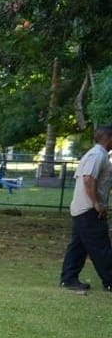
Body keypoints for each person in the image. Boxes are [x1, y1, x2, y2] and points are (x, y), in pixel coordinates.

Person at [58, 125, 112, 293]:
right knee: (101, 246)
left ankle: (69, 279)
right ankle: (110, 280)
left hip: (82, 208)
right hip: (89, 209)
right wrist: (96, 203)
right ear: (109, 138)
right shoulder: (97, 155)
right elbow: (88, 179)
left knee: (78, 246)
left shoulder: (98, 155)